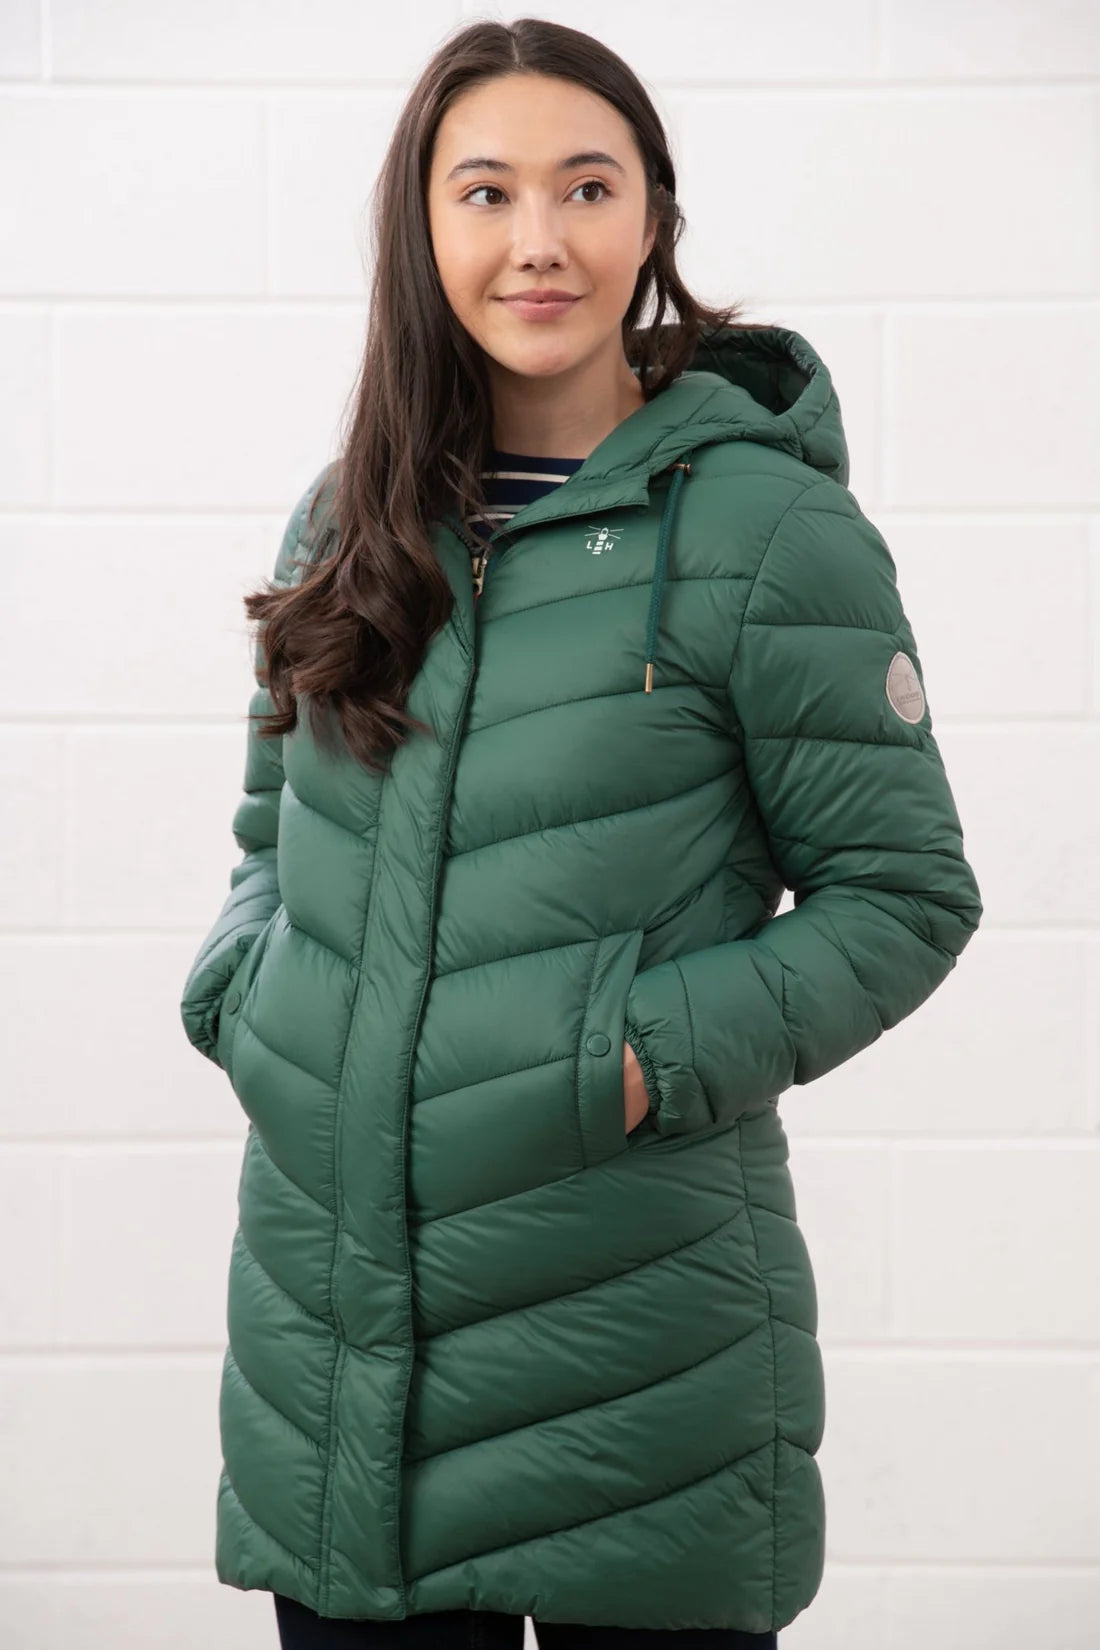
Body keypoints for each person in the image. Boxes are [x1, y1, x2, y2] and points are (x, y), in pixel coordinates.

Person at [179, 16, 983, 1650]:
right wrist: (248, 999)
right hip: (331, 1372)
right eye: (485, 192)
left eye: (587, 187)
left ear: (653, 216)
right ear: (421, 226)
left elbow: (904, 894)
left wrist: (632, 1058)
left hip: (647, 1385)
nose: (537, 239)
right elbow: (271, 833)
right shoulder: (347, 519)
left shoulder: (767, 531)